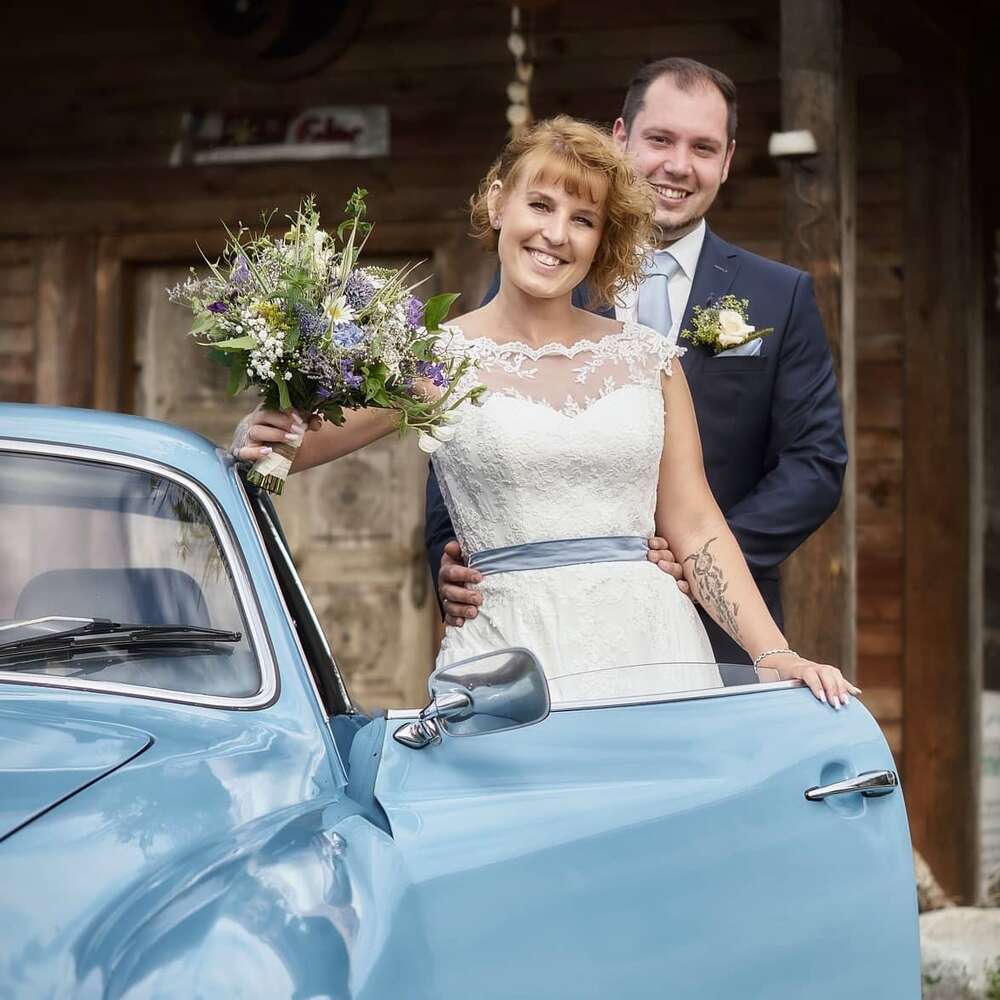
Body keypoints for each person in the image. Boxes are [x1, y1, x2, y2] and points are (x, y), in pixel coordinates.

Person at [233, 116, 857, 708]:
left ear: (601, 240)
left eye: (583, 219)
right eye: (540, 205)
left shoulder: (648, 361)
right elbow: (281, 459)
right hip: (510, 660)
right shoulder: (433, 360)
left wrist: (772, 652)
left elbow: (696, 523)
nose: (556, 234)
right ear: (499, 203)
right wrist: (265, 423)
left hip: (655, 653)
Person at [429, 58, 848, 665]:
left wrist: (690, 559)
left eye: (703, 147)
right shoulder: (541, 267)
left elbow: (815, 464)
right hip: (527, 626)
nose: (679, 165)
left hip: (722, 626)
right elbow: (462, 432)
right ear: (620, 138)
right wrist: (453, 553)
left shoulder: (778, 296)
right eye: (660, 139)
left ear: (727, 161)